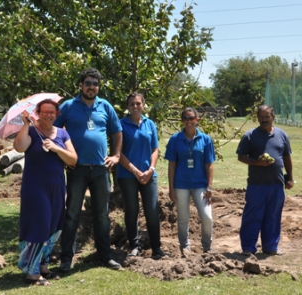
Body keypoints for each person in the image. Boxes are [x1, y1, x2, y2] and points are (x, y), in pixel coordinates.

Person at [54, 68, 123, 271]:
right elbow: (56, 132)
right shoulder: (68, 106)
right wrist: (63, 155)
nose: (91, 87)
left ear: (98, 87)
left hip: (101, 170)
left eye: (95, 83)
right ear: (81, 85)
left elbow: (117, 132)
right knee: (72, 214)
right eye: (88, 83)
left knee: (102, 214)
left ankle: (105, 256)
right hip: (77, 169)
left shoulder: (106, 106)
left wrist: (117, 155)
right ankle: (66, 258)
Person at [13, 99, 78, 286]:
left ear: (57, 114)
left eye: (52, 112)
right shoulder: (32, 131)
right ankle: (32, 272)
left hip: (57, 187)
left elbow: (73, 159)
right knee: (40, 225)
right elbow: (19, 147)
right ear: (38, 113)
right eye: (44, 112)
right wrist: (25, 124)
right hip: (35, 188)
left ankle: (43, 265)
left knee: (54, 227)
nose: (48, 115)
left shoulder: (63, 134)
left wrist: (56, 148)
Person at [236, 104, 294, 256]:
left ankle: (270, 247)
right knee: (253, 216)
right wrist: (257, 163)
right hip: (257, 185)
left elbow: (286, 157)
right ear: (258, 118)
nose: (264, 120)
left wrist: (290, 178)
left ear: (273, 117)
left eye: (267, 116)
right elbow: (241, 156)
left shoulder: (282, 135)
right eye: (261, 117)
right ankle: (248, 247)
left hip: (276, 184)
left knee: (273, 216)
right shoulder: (250, 136)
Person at [117, 92, 166, 260]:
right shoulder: (121, 124)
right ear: (128, 106)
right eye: (131, 104)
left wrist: (151, 169)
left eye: (138, 103)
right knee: (132, 211)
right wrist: (134, 171)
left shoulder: (149, 124)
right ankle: (134, 246)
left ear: (143, 104)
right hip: (127, 175)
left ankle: (157, 248)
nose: (135, 106)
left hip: (149, 175)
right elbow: (118, 153)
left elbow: (155, 149)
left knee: (152, 211)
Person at [165, 107, 215, 255]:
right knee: (183, 218)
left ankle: (207, 246)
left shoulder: (206, 139)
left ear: (197, 120)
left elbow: (209, 165)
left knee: (207, 217)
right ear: (182, 120)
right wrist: (171, 187)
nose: (189, 121)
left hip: (200, 184)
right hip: (181, 184)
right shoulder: (175, 139)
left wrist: (209, 187)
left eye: (192, 118)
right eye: (186, 118)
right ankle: (184, 246)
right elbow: (171, 164)